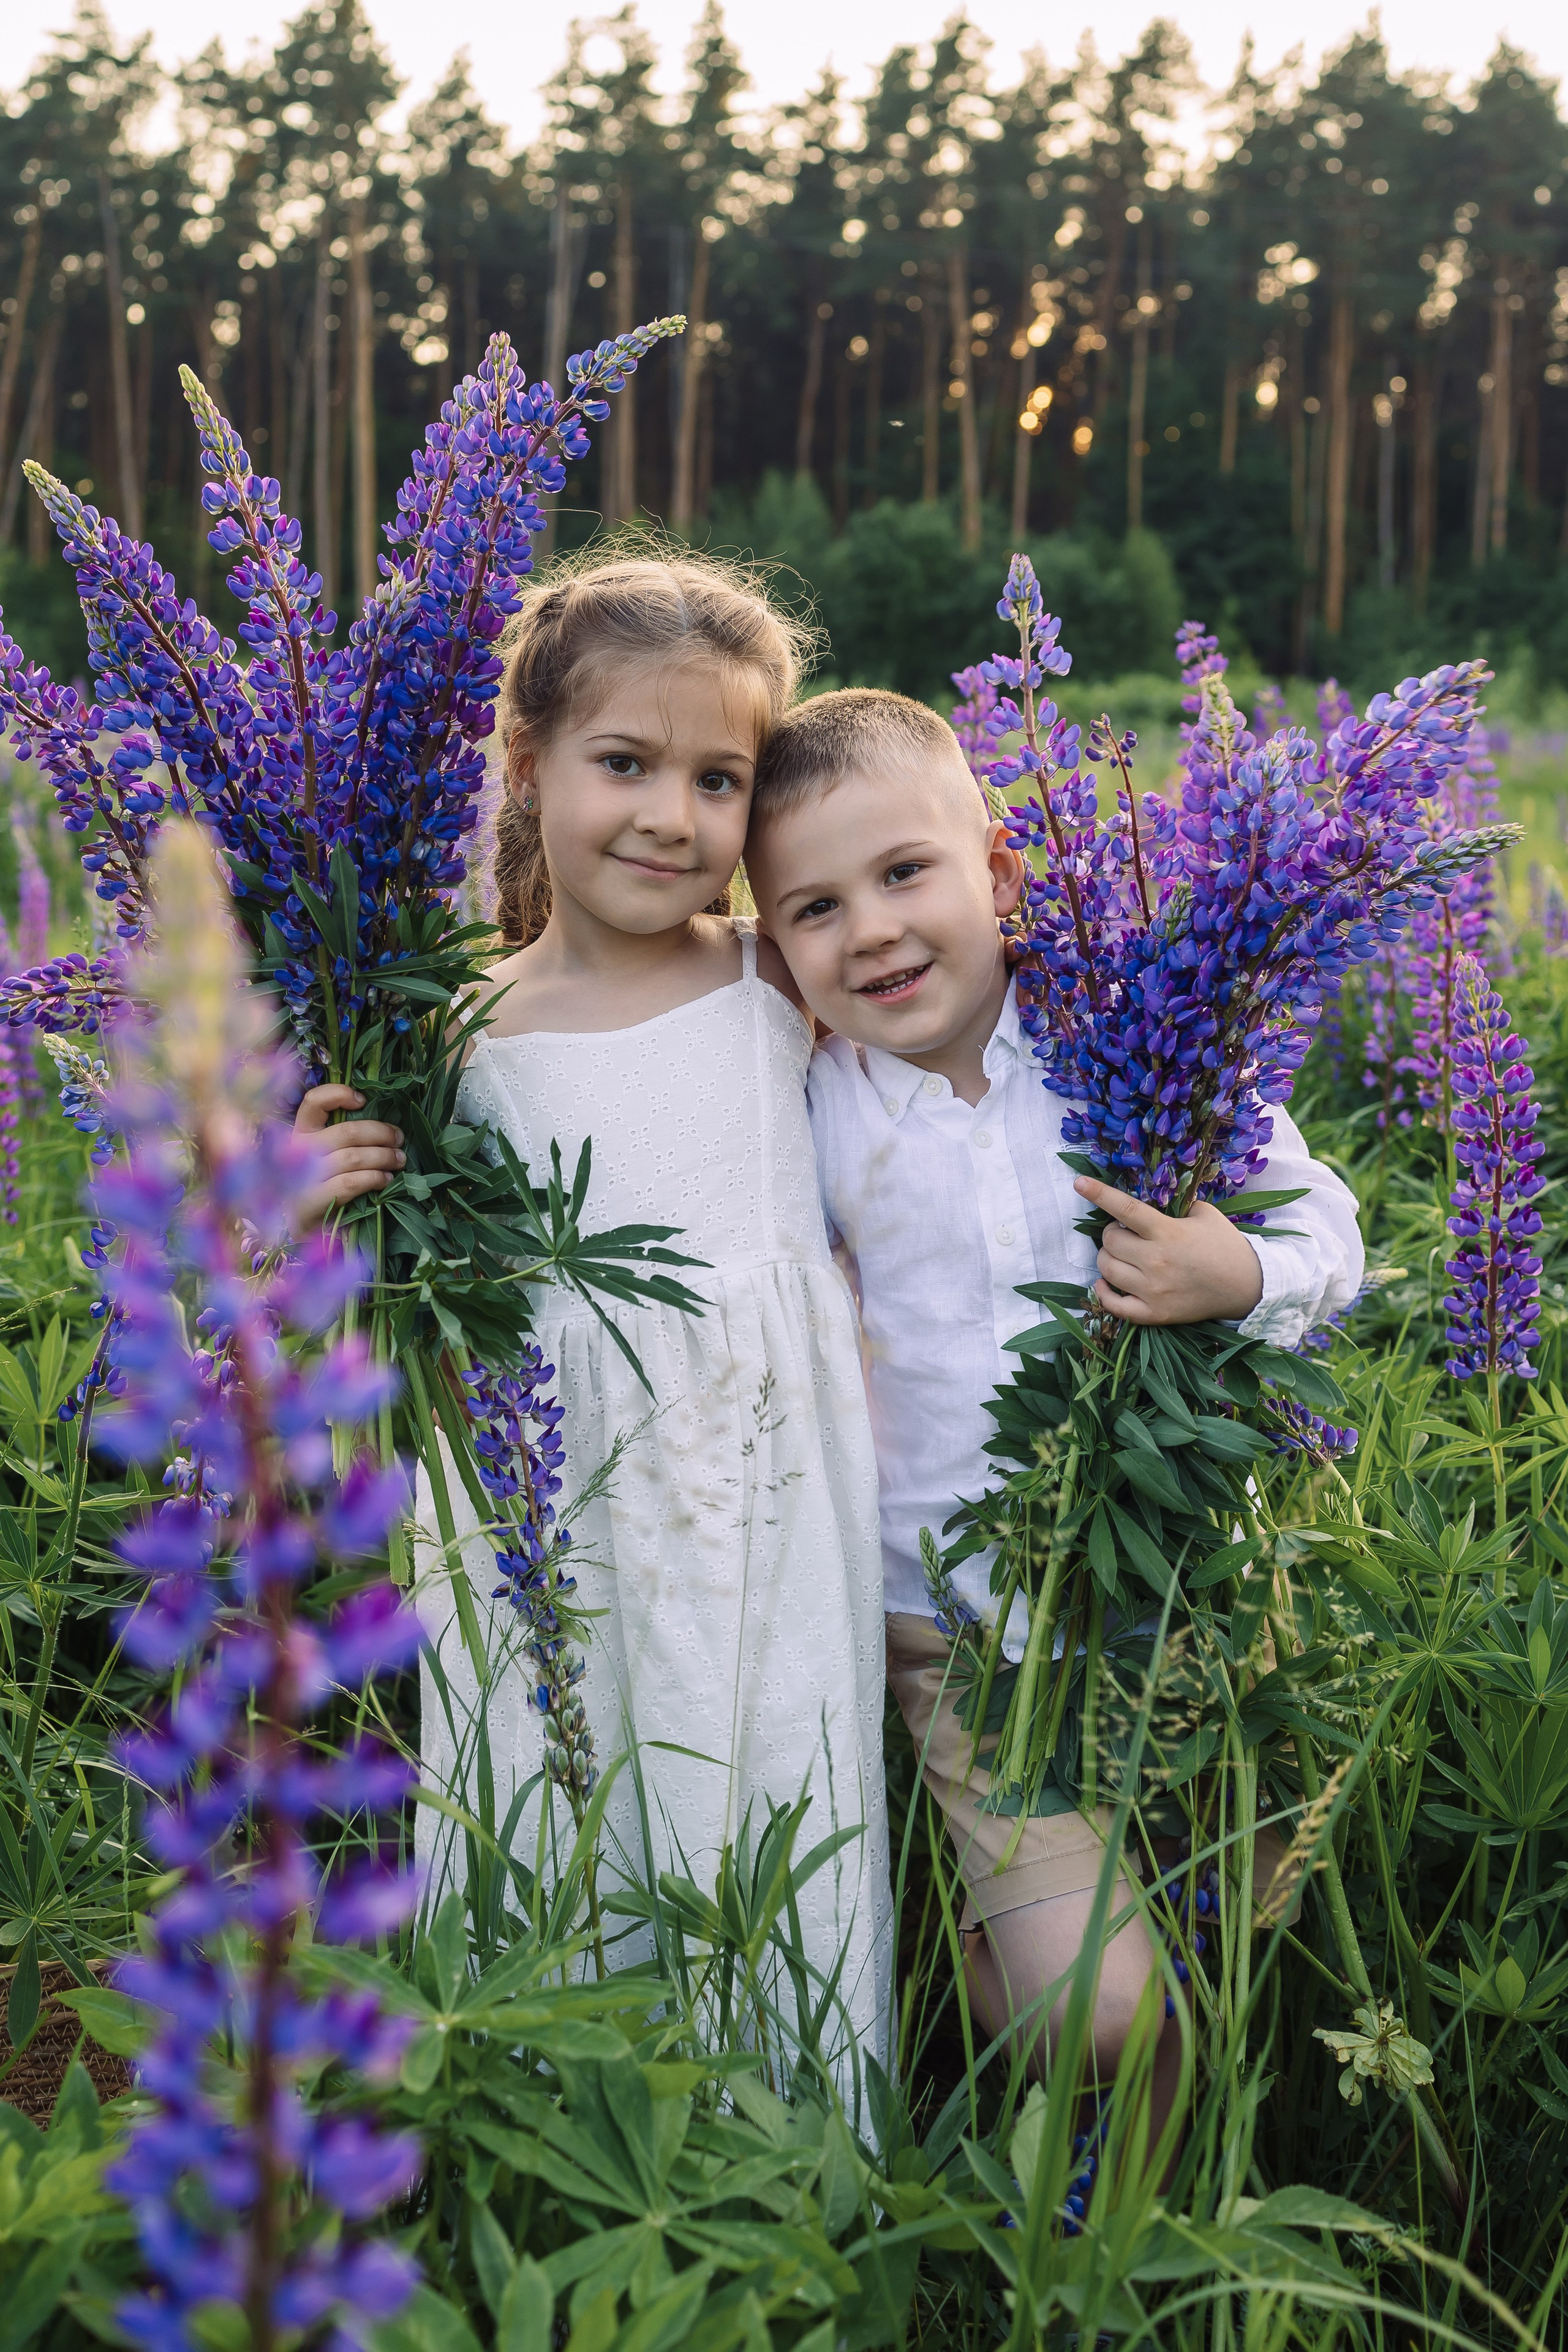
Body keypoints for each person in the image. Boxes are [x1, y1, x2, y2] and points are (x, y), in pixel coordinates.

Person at [295, 556, 892, 2079]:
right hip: (544, 1508)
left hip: (762, 1494)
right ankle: (544, 2126)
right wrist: (315, 1193)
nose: (667, 816)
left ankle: (786, 2153)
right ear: (526, 762)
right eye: (623, 763)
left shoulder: (784, 977)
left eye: (716, 778)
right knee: (562, 1803)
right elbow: (373, 1297)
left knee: (771, 1783)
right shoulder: (451, 1027)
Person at [744, 685, 1363, 2131]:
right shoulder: (808, 1106)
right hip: (956, 1634)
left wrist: (1236, 1269)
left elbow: (1328, 1232)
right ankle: (1098, 2247)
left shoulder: (1137, 1040)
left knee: (1256, 1909)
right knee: (1102, 2013)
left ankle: (1211, 2164)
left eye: (905, 874)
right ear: (773, 951)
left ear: (1003, 875)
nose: (874, 932)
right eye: (814, 909)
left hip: (1184, 1591)